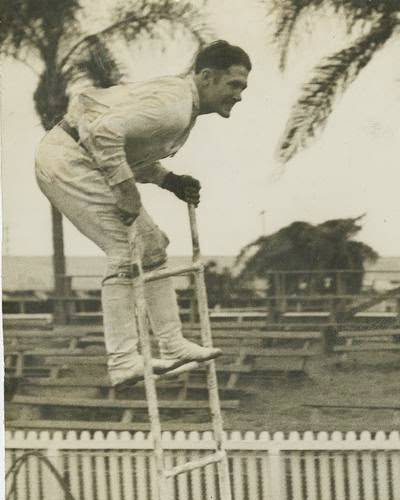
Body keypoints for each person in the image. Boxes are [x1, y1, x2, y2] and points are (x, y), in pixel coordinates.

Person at [35, 41, 251, 386]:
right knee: (126, 249)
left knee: (152, 246)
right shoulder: (175, 108)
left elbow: (127, 148)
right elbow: (103, 133)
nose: (239, 95)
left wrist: (169, 180)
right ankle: (123, 360)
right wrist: (124, 189)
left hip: (78, 157)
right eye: (234, 85)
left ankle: (172, 344)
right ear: (207, 77)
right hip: (68, 160)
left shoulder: (181, 105)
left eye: (242, 87)